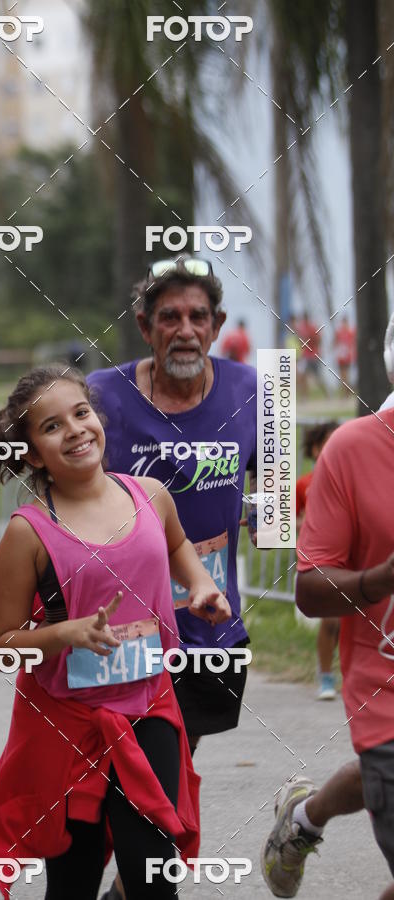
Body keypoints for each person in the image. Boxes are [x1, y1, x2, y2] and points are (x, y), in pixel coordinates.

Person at [0, 363, 232, 900]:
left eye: (81, 413)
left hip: (149, 708)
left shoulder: (151, 495)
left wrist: (201, 585)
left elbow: (178, 545)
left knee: (152, 877)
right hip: (68, 726)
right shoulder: (28, 533)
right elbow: (0, 647)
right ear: (34, 454)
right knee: (74, 882)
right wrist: (65, 634)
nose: (75, 430)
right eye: (52, 426)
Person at [87, 257, 257, 758]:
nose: (185, 331)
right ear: (145, 327)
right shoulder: (102, 394)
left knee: (177, 760)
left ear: (216, 325)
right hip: (120, 622)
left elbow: (272, 487)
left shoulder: (251, 391)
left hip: (208, 620)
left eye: (197, 316)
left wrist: (265, 512)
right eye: (169, 317)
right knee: (119, 765)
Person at [261, 319, 394, 899]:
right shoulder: (355, 449)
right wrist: (378, 579)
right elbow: (310, 586)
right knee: (383, 768)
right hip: (385, 689)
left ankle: (303, 818)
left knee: (374, 777)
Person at [295, 422, 339, 700]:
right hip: (319, 558)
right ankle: (326, 676)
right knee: (332, 620)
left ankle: (358, 674)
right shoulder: (304, 484)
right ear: (314, 449)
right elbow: (287, 520)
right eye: (327, 443)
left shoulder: (351, 478)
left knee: (352, 624)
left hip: (351, 557)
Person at [334, 315, 356, 390]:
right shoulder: (339, 332)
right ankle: (345, 390)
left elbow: (353, 343)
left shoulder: (351, 332)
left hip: (347, 356)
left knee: (346, 374)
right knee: (342, 374)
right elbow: (336, 342)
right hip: (341, 356)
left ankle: (347, 390)